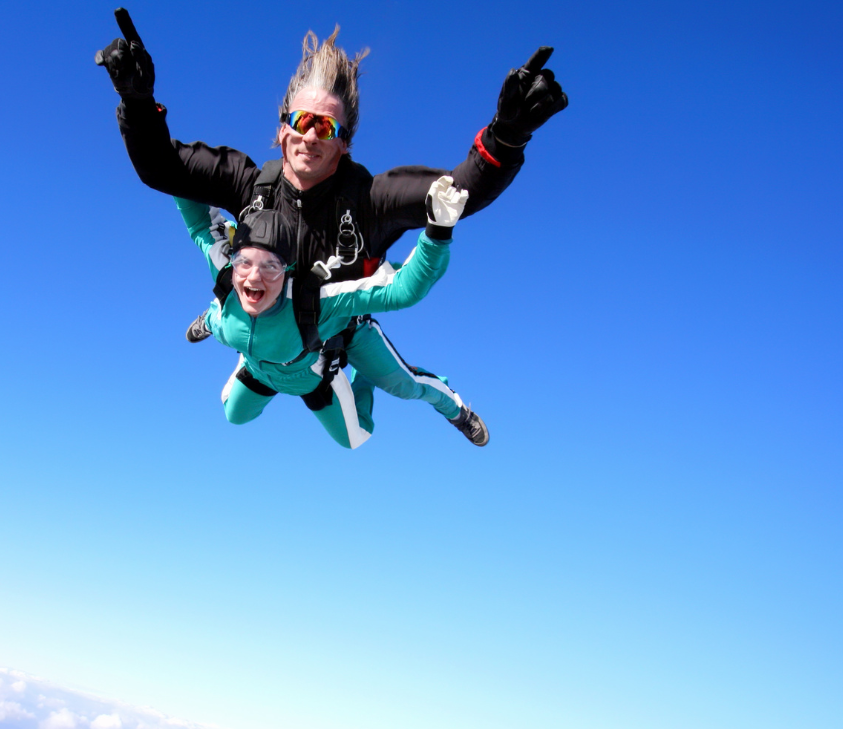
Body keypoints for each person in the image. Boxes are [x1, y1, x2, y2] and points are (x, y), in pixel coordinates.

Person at [96, 11, 567, 445]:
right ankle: (222, 318)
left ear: (345, 144)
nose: (309, 136)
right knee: (234, 284)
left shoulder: (370, 203)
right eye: (301, 121)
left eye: (326, 128)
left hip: (344, 325)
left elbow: (458, 196)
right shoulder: (249, 184)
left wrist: (506, 137)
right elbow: (162, 170)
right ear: (282, 129)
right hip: (270, 312)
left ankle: (451, 405)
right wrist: (136, 104)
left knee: (399, 387)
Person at [177, 176, 472, 449]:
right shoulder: (228, 279)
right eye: (244, 262)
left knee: (380, 410)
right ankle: (213, 320)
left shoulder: (316, 299)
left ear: (288, 271)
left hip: (330, 350)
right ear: (234, 259)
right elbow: (198, 223)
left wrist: (438, 230)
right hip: (261, 368)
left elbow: (403, 290)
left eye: (270, 266)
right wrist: (157, 152)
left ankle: (455, 411)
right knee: (234, 413)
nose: (253, 278)